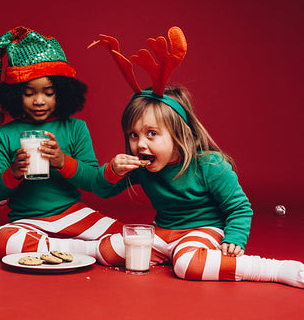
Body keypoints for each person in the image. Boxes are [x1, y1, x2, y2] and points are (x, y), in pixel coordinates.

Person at [89, 27, 304, 288]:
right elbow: (102, 189)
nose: (140, 144)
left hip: (202, 230)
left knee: (188, 266)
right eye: (133, 135)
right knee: (109, 250)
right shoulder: (140, 168)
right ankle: (49, 248)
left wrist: (234, 239)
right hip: (162, 231)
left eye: (152, 134)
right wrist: (113, 170)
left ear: (179, 134)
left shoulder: (209, 165)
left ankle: (275, 270)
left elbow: (239, 208)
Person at [0, 26, 125, 263]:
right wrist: (14, 172)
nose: (39, 101)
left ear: (62, 93)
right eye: (29, 93)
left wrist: (62, 161)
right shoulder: (6, 133)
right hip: (27, 220)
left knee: (128, 236)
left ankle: (55, 248)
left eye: (48, 92)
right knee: (3, 240)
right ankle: (87, 250)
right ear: (15, 94)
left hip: (73, 214)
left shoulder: (75, 128)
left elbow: (93, 180)